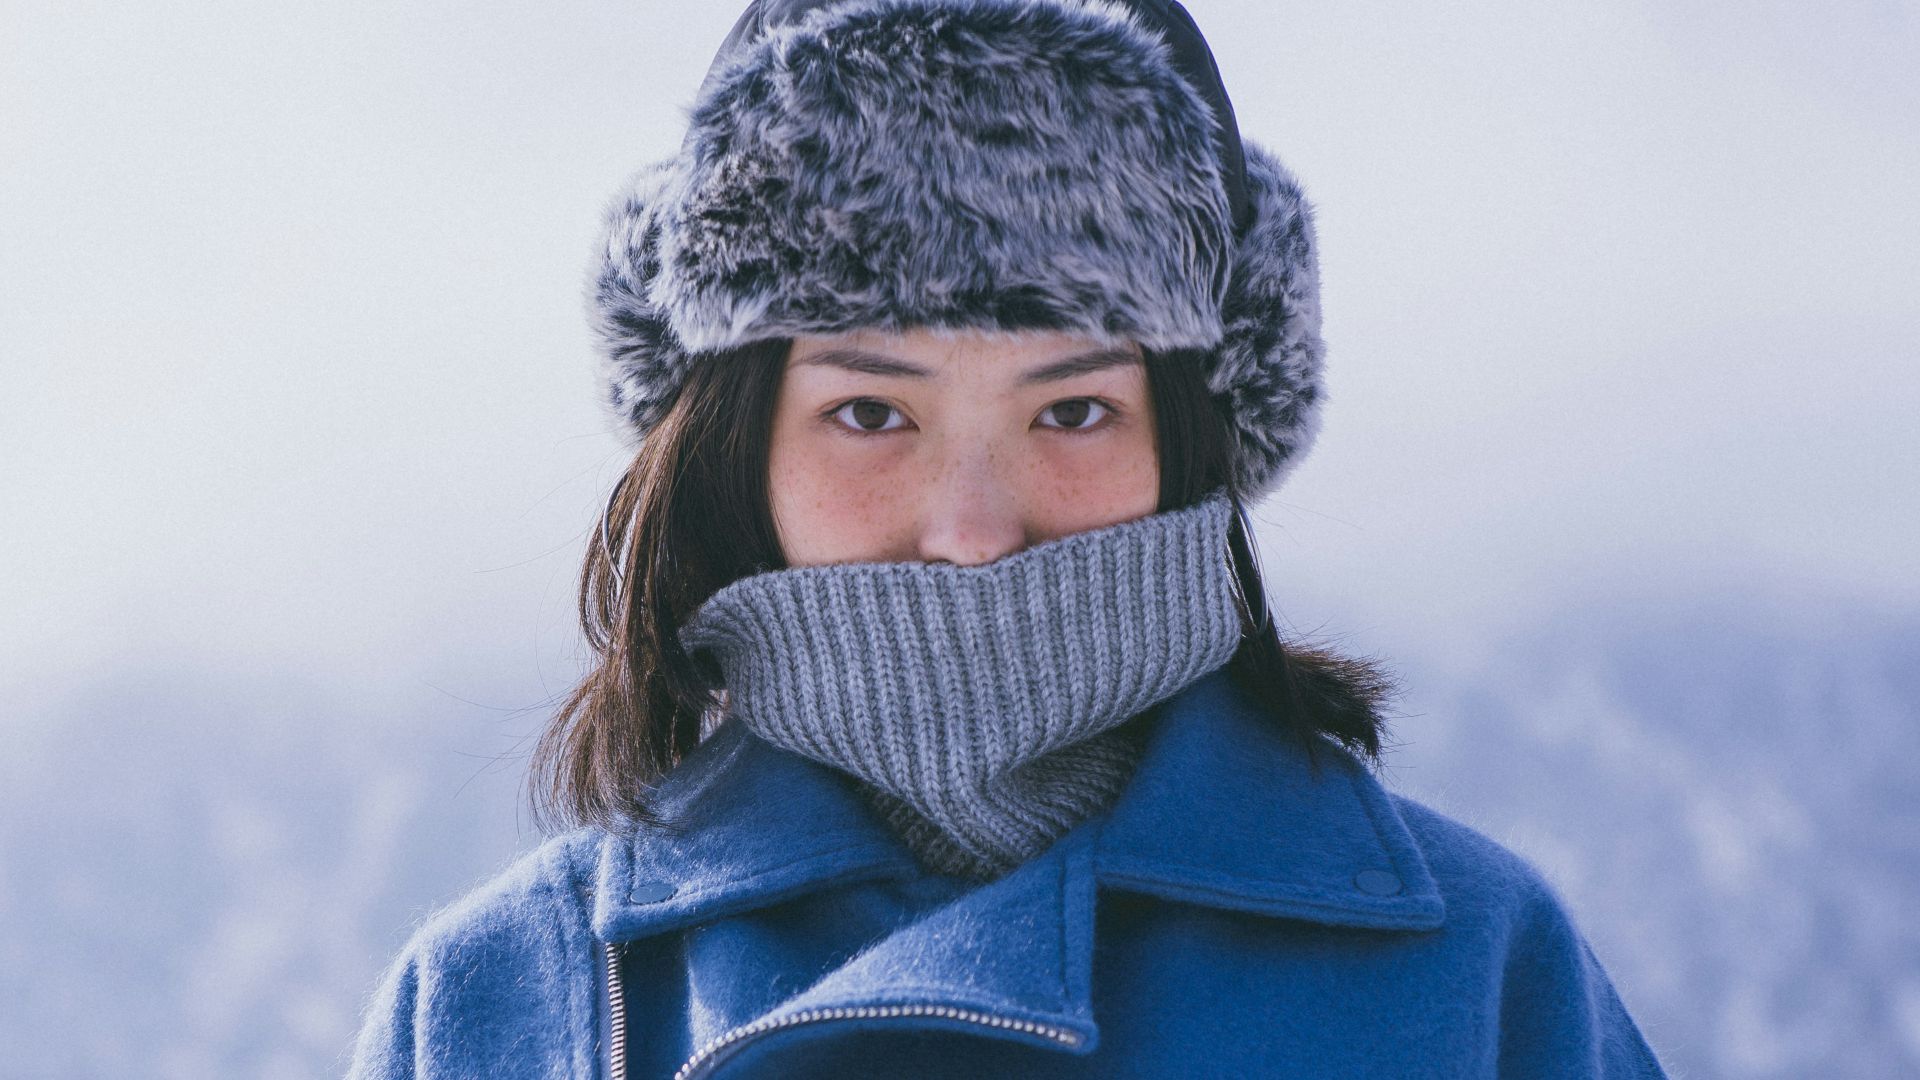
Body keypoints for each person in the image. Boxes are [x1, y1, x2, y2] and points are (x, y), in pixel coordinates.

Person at [346, 1, 1671, 1076]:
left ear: (1194, 442)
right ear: (732, 453)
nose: (975, 532)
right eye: (871, 411)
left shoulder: (1478, 972)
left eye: (1075, 409)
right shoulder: (497, 1002)